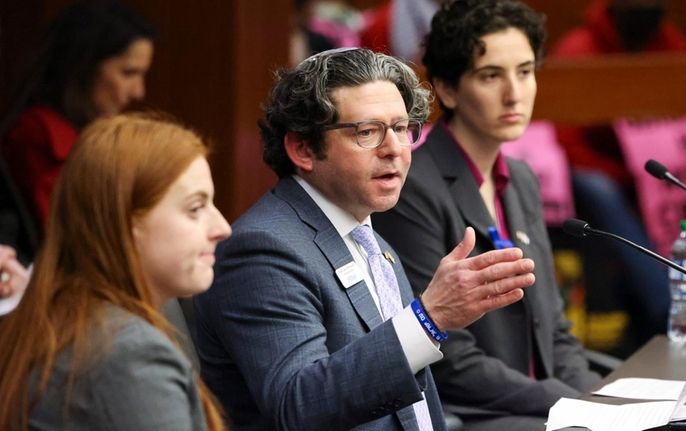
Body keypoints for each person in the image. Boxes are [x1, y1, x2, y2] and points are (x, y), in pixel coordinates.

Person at [193, 47, 536, 430]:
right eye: (367, 132)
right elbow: (299, 403)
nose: (395, 150)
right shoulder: (263, 248)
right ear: (303, 148)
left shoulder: (372, 240)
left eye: (402, 129)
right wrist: (429, 318)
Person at [371, 1, 601, 430]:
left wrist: (597, 400)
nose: (514, 92)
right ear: (447, 89)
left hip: (549, 408)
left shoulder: (521, 178)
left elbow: (555, 327)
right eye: (491, 76)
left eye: (525, 71)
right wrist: (576, 405)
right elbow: (447, 357)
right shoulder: (413, 188)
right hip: (480, 415)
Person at [0, 113, 231, 430]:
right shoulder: (128, 356)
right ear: (125, 222)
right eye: (195, 208)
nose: (222, 228)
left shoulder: (67, 319)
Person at [549, 0, 686, 344]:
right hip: (593, 169)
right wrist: (624, 172)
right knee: (601, 189)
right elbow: (564, 140)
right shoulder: (578, 50)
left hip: (647, 166)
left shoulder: (669, 42)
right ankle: (668, 306)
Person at [0, 0, 155, 232]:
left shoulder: (94, 136)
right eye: (128, 72)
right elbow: (72, 237)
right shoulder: (39, 133)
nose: (138, 92)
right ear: (84, 67)